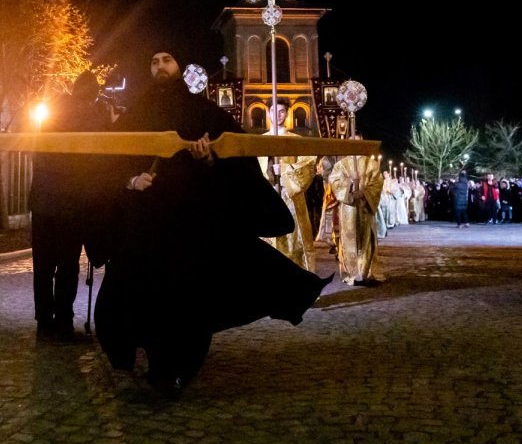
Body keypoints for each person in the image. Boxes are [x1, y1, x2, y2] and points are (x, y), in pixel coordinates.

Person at [92, 47, 332, 398]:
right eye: (154, 61)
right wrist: (130, 181)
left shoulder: (207, 115)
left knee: (186, 301)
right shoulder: (133, 117)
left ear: (179, 67)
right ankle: (123, 363)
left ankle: (171, 372)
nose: (160, 66)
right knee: (125, 291)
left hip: (189, 226)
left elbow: (238, 165)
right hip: (142, 224)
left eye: (167, 59)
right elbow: (107, 166)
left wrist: (209, 162)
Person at [27, 71, 108, 343]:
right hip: (70, 204)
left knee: (43, 266)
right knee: (67, 265)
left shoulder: (54, 112)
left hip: (42, 201)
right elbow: (98, 160)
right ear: (93, 92)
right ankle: (62, 321)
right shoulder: (94, 115)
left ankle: (43, 323)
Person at [258, 98, 319, 272]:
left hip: (291, 199)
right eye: (273, 111)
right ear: (268, 113)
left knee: (294, 244)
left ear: (287, 113)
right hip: (267, 200)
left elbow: (308, 165)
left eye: (282, 111)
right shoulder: (257, 141)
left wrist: (284, 169)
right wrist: (268, 173)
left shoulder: (298, 140)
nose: (277, 115)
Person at [326, 151, 385, 286]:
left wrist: (363, 193)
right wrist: (350, 185)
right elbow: (334, 181)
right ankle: (351, 273)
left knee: (365, 240)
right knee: (349, 240)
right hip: (348, 208)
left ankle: (365, 272)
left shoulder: (371, 164)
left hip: (364, 208)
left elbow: (377, 183)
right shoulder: (341, 165)